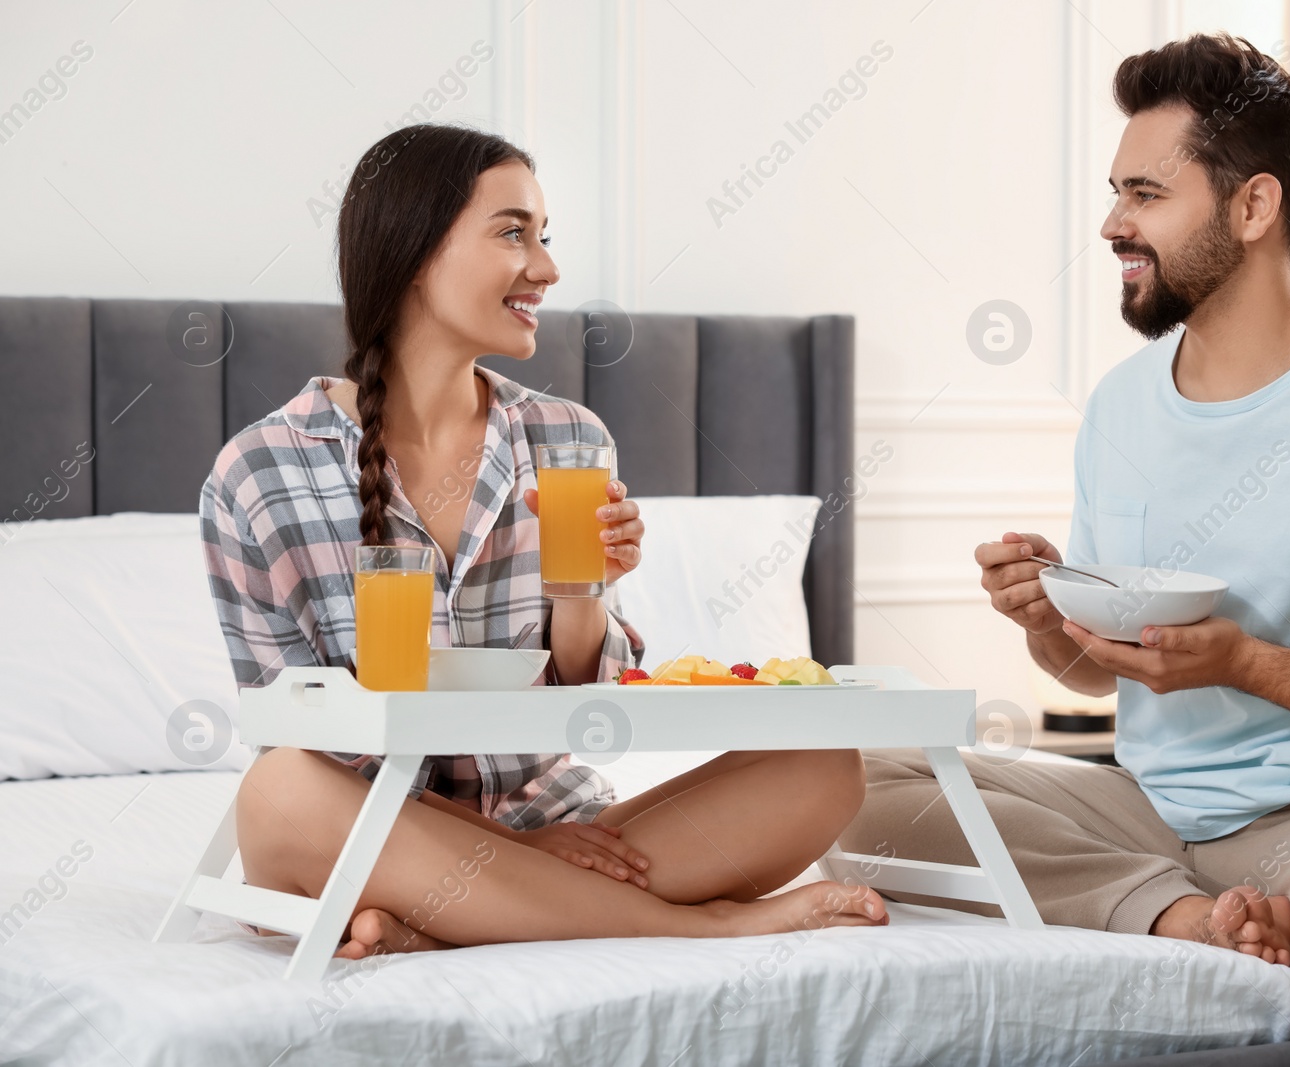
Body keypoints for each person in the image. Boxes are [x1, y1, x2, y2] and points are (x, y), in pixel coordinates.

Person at [841, 33, 1290, 1066]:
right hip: (1158, 812)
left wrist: (1245, 660)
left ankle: (1257, 901)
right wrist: (1054, 616)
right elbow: (1101, 667)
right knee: (849, 776)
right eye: (1116, 191)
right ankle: (1181, 915)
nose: (1112, 223)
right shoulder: (1124, 404)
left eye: (1144, 194)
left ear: (1253, 208)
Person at [199, 123, 884, 958]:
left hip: (562, 824)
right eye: (513, 233)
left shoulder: (570, 440)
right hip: (371, 827)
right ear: (415, 252)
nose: (548, 269)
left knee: (821, 765)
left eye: (545, 237)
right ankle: (699, 923)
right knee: (279, 791)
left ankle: (450, 920)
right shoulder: (260, 472)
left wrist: (581, 591)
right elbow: (299, 728)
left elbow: (586, 700)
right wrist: (517, 853)